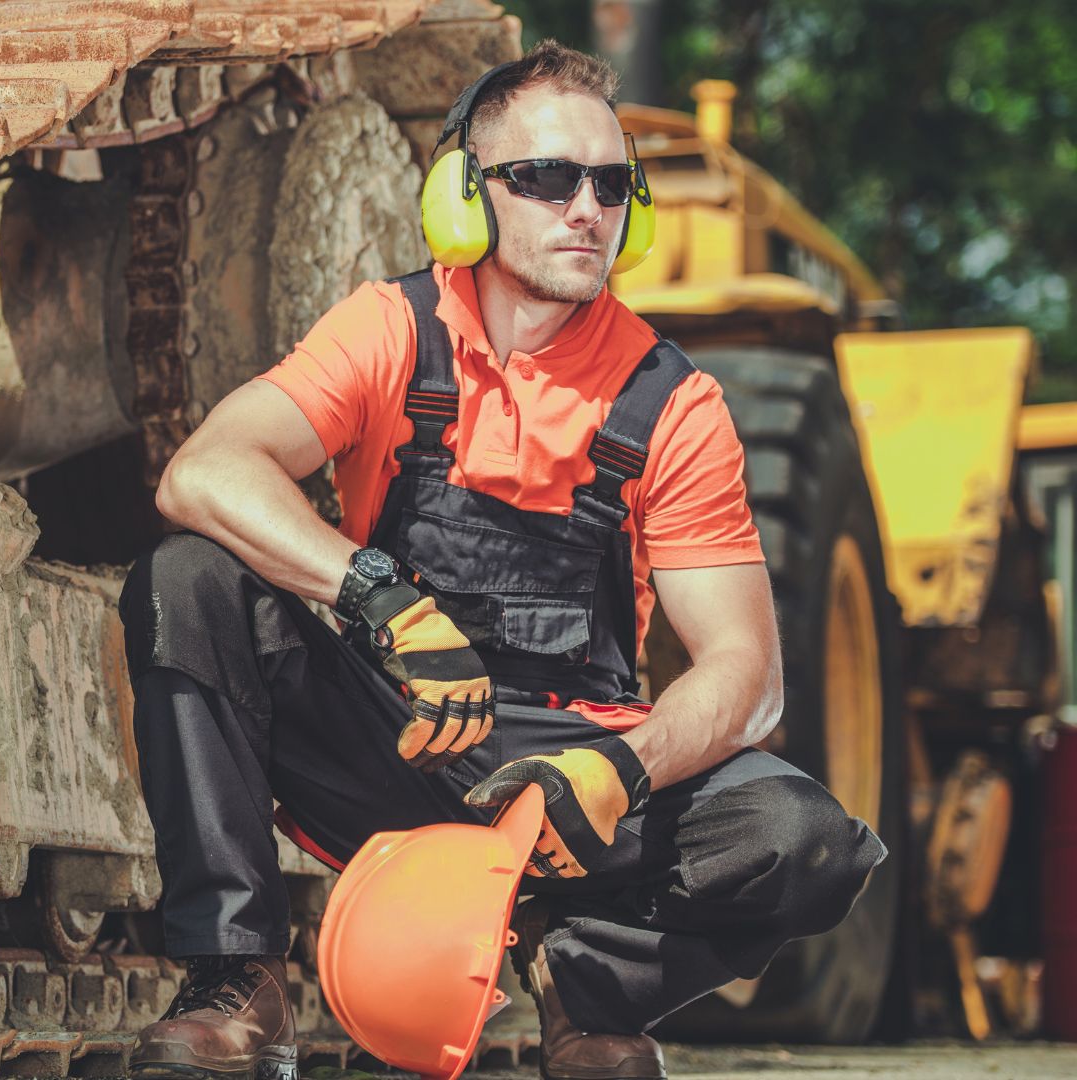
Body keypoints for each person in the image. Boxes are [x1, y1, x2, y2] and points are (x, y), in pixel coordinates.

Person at [117, 40, 886, 1080]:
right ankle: (235, 981)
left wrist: (624, 767)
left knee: (810, 840)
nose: (586, 209)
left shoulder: (675, 404)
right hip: (392, 731)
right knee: (188, 579)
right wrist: (376, 593)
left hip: (578, 782)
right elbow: (203, 473)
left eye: (611, 185)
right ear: (464, 197)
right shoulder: (391, 329)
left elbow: (746, 678)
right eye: (546, 178)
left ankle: (589, 986)